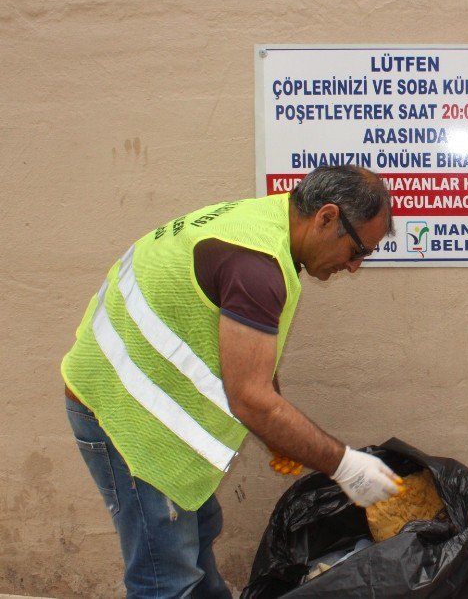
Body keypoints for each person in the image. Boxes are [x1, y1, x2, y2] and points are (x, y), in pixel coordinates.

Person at [62, 165, 403, 598]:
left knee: (200, 533)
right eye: (358, 251)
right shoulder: (256, 265)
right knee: (165, 579)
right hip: (121, 415)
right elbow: (250, 400)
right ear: (326, 217)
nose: (355, 267)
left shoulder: (268, 226)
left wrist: (278, 433)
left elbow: (254, 353)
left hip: (135, 397)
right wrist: (346, 466)